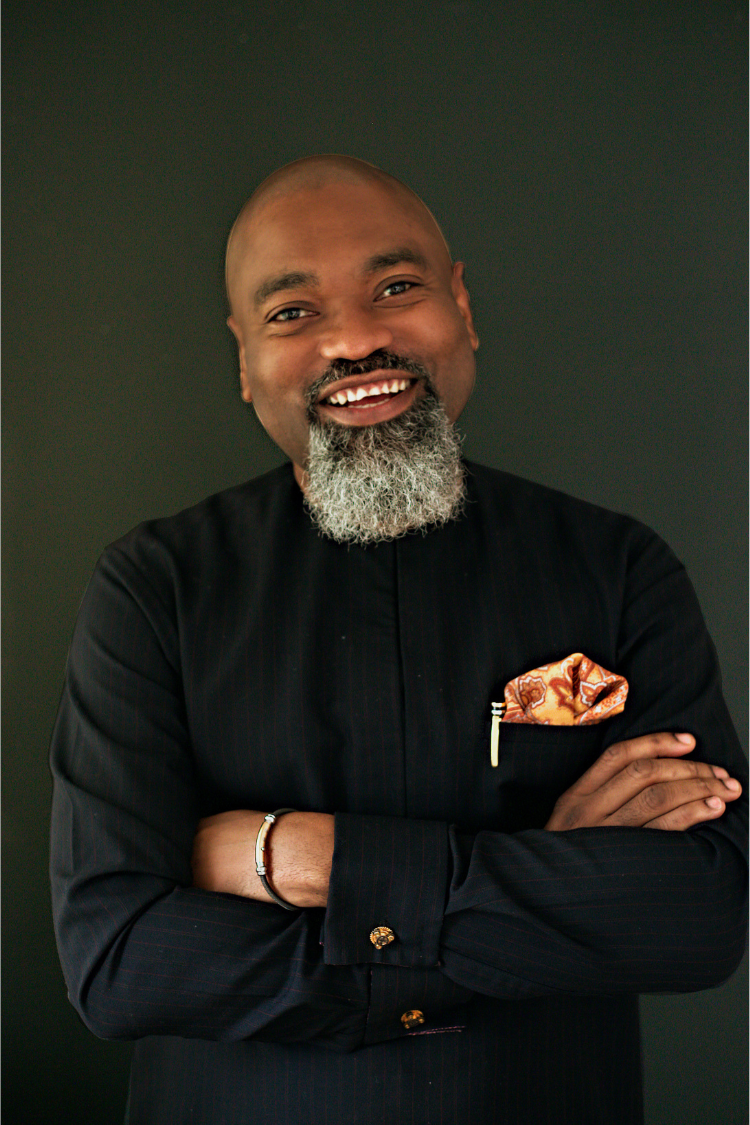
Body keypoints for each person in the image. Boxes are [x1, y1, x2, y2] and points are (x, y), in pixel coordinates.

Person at [50, 155, 747, 1125]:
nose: (357, 338)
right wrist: (548, 876)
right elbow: (122, 961)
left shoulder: (617, 567)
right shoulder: (155, 588)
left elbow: (697, 917)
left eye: (397, 288)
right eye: (293, 313)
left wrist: (305, 857)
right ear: (244, 359)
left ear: (461, 306)